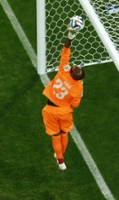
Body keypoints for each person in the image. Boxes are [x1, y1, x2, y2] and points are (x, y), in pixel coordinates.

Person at [42, 26, 85, 171]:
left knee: (55, 136)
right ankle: (60, 155)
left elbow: (65, 52)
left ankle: (61, 162)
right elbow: (76, 104)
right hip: (65, 112)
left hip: (51, 109)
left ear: (71, 71)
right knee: (64, 133)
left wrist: (70, 36)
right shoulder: (78, 87)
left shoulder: (63, 70)